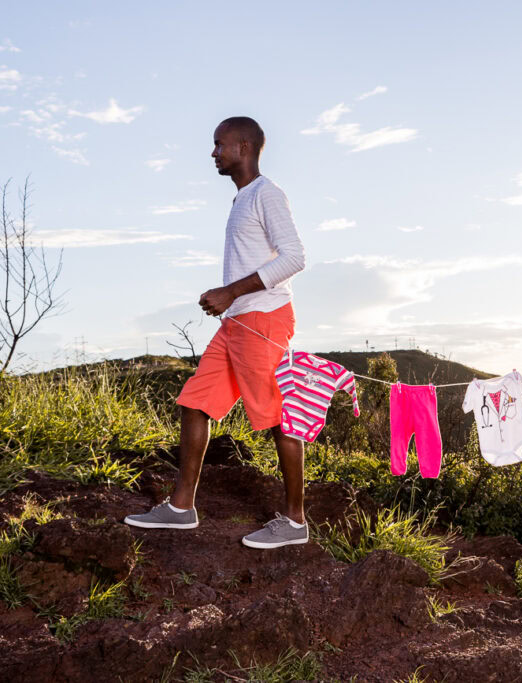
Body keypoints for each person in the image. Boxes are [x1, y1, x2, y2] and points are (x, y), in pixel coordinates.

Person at [124, 116, 309, 549]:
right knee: (194, 402)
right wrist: (230, 301)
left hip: (262, 319)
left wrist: (231, 291)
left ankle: (295, 521)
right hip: (237, 322)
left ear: (243, 147)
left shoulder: (267, 194)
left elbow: (295, 258)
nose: (213, 153)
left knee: (278, 415)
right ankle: (181, 508)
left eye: (218, 144)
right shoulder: (242, 200)